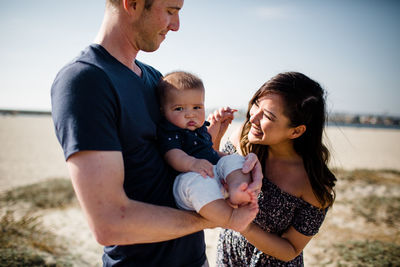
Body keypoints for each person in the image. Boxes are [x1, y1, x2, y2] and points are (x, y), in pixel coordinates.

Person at [50, 0, 262, 266]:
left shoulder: (157, 80)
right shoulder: (86, 81)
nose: (176, 25)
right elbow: (109, 223)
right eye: (171, 11)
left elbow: (180, 158)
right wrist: (215, 217)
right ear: (133, 3)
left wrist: (240, 166)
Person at [215, 72, 337, 266]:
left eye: (268, 116)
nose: (253, 118)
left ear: (296, 131)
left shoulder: (312, 183)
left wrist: (243, 224)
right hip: (227, 259)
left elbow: (290, 250)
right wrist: (214, 138)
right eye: (256, 104)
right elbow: (215, 181)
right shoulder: (244, 138)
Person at [157, 71, 259, 231]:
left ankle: (237, 189)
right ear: (163, 111)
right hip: (186, 180)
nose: (190, 113)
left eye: (197, 107)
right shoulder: (170, 131)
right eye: (179, 108)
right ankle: (231, 218)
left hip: (211, 175)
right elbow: (172, 155)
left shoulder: (200, 129)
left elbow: (210, 152)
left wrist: (230, 160)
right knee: (197, 183)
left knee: (235, 159)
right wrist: (192, 163)